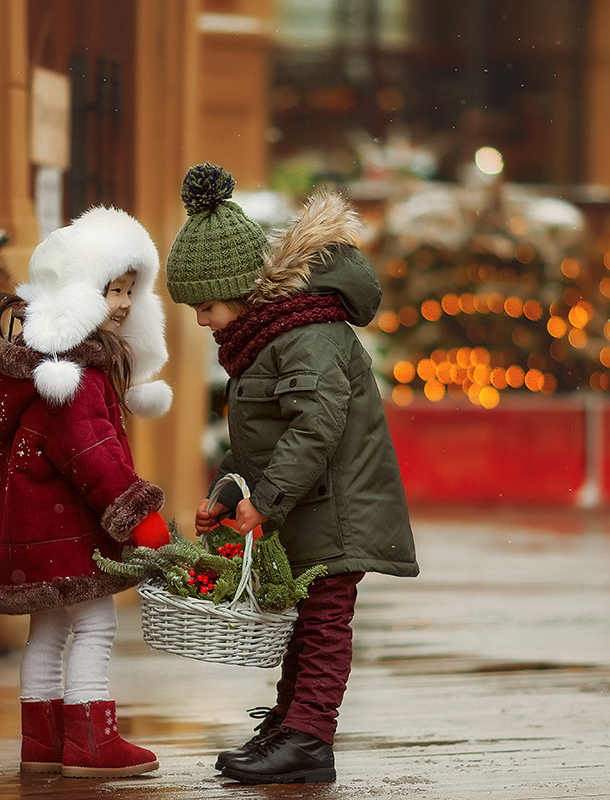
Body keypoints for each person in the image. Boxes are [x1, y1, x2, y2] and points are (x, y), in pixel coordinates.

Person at [164, 163, 419, 785]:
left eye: (207, 305)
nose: (202, 320)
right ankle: (289, 724)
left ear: (240, 289)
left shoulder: (305, 336)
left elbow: (315, 428)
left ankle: (310, 738)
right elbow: (259, 440)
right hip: (314, 503)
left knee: (326, 623)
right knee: (307, 621)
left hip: (338, 508)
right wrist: (228, 493)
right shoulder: (266, 338)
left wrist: (268, 502)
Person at [0, 206, 173, 778]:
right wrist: (139, 514)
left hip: (32, 526)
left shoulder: (31, 368)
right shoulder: (76, 377)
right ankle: (92, 740)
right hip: (67, 529)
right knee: (95, 624)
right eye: (112, 289)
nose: (124, 303)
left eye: (130, 290)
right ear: (78, 294)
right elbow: (93, 458)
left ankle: (42, 743)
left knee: (50, 626)